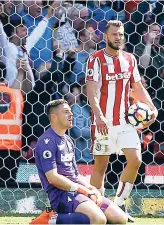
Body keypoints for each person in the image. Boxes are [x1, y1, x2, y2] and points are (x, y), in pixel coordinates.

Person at [86, 20, 158, 222]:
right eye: (115, 34)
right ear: (106, 36)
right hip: (103, 122)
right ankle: (97, 208)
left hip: (126, 121)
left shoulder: (130, 59)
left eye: (121, 34)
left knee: (136, 160)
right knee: (101, 166)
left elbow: (138, 87)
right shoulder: (95, 59)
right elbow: (91, 90)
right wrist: (98, 115)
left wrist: (152, 107)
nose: (119, 37)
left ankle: (118, 205)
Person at [30, 99, 127, 225]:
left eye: (70, 112)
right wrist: (84, 190)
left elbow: (75, 175)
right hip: (62, 195)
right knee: (98, 219)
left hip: (78, 191)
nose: (71, 115)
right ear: (54, 117)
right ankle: (48, 220)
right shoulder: (46, 142)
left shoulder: (68, 140)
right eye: (66, 112)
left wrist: (92, 188)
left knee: (120, 218)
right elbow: (53, 178)